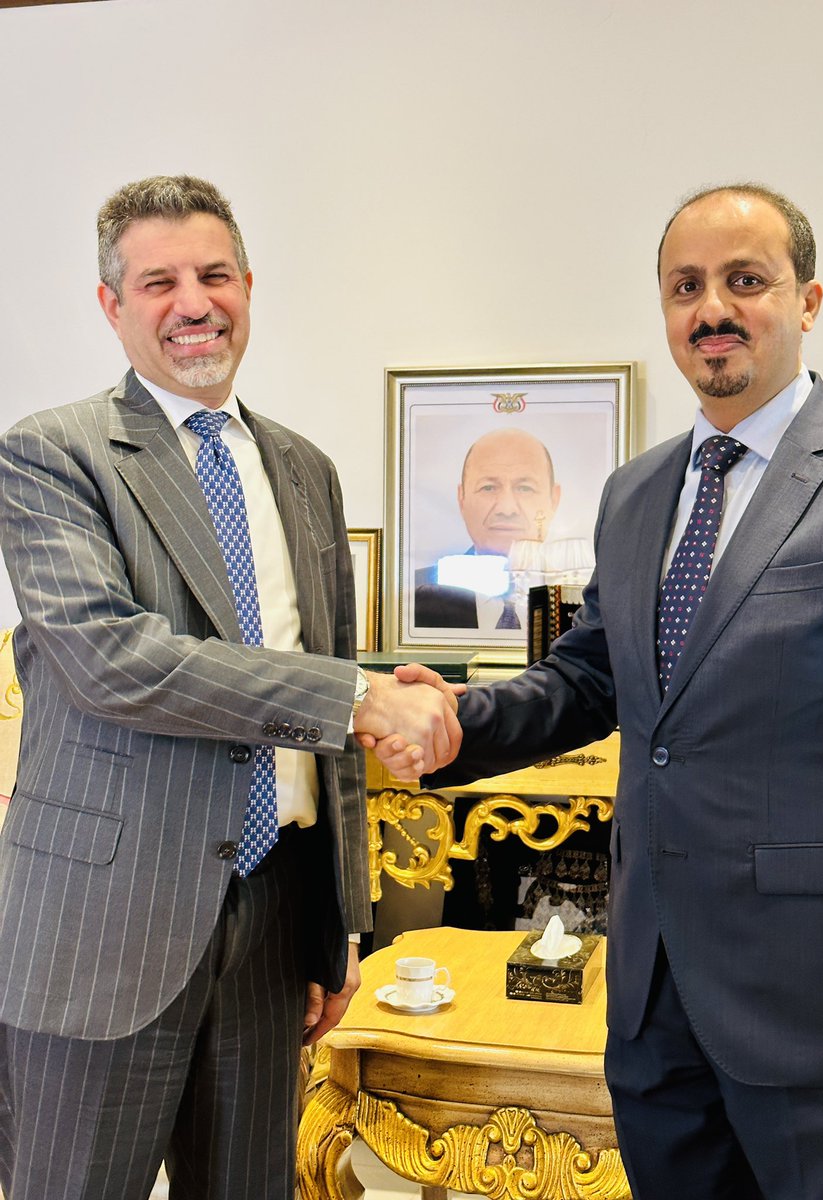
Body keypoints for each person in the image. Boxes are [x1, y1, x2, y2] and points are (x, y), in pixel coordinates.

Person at [371, 183, 823, 1198]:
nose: (713, 309)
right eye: (685, 286)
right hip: (652, 1000)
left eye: (747, 280)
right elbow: (590, 675)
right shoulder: (637, 491)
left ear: (808, 299)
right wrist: (453, 728)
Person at [0, 174, 459, 1200]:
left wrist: (339, 924)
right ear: (111, 305)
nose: (193, 302)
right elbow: (115, 660)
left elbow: (331, 731)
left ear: (248, 286)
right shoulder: (51, 454)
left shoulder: (306, 470)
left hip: (271, 918)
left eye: (214, 274)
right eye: (158, 282)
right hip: (101, 928)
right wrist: (357, 698)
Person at [414, 427, 561, 628]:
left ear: (554, 500)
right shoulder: (414, 595)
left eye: (525, 488)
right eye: (488, 487)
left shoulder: (588, 595)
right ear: (462, 498)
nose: (506, 509)